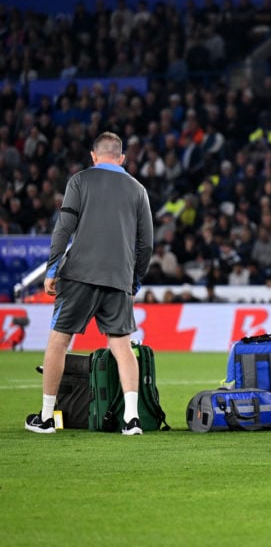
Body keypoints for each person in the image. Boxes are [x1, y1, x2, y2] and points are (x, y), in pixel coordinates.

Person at [27, 132, 154, 435]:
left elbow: (64, 227)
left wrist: (52, 269)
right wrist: (134, 278)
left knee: (59, 340)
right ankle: (132, 419)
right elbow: (146, 243)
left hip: (79, 274)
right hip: (118, 278)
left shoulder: (80, 180)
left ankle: (46, 418)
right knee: (121, 346)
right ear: (121, 158)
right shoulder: (138, 190)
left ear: (94, 156)